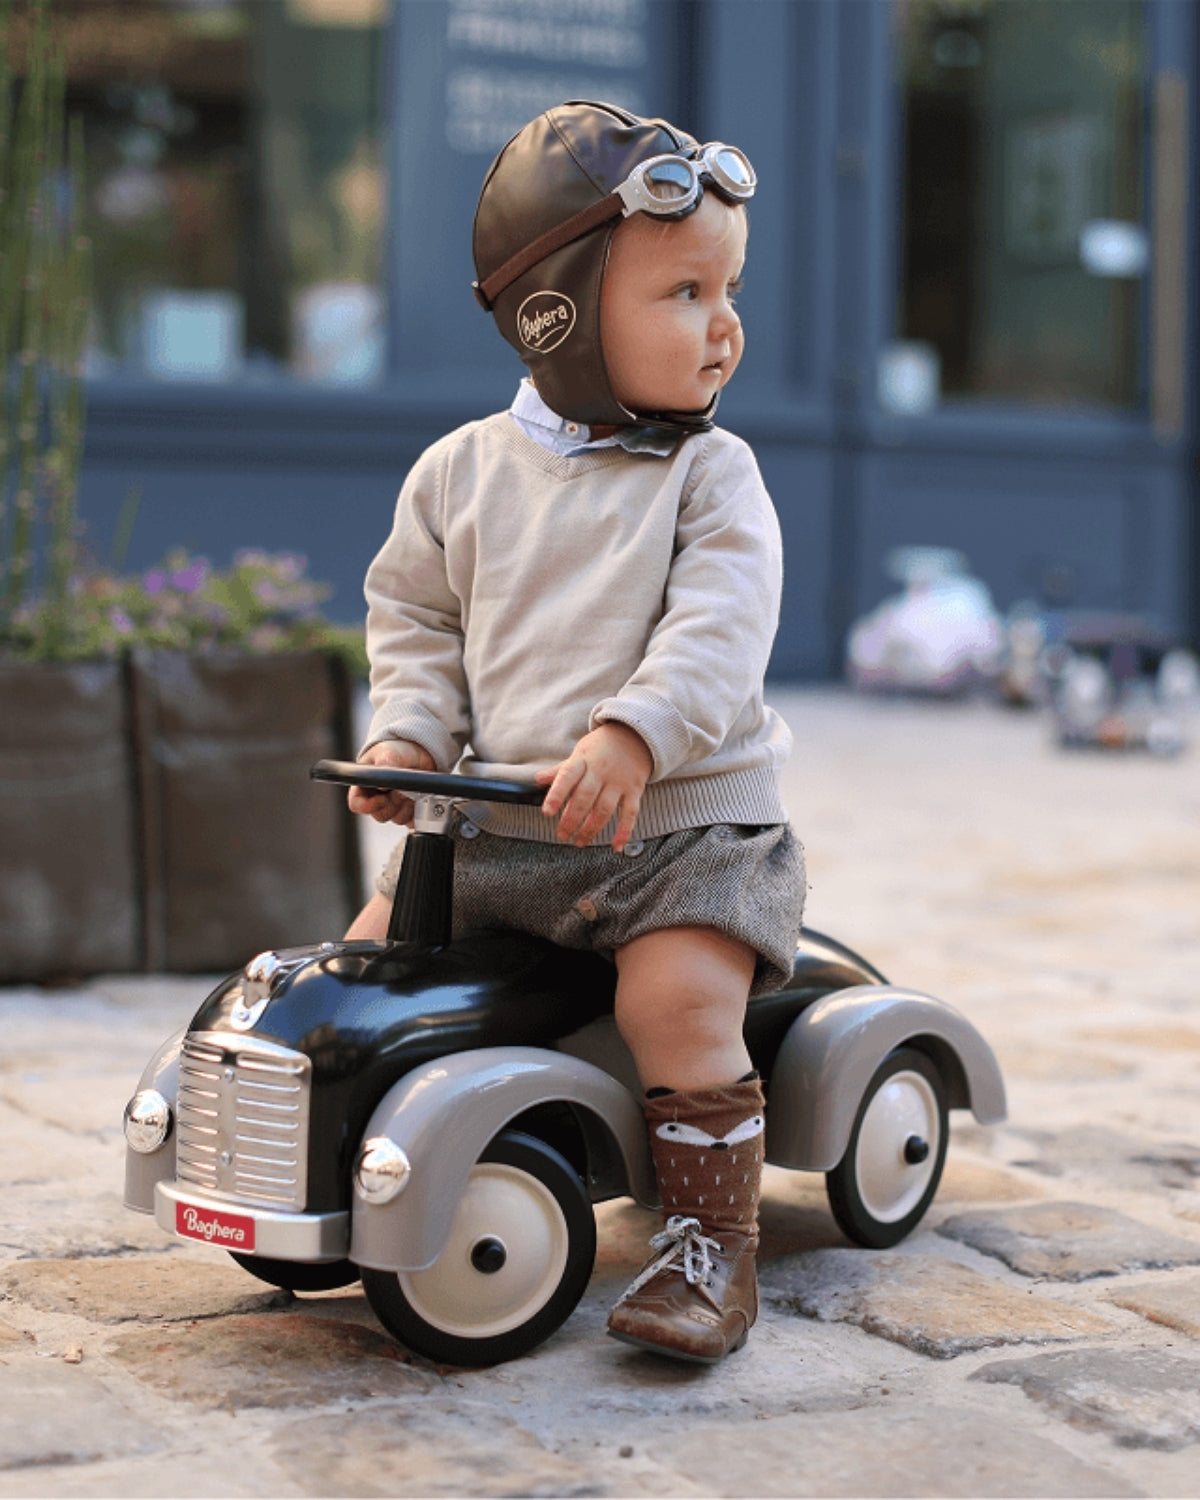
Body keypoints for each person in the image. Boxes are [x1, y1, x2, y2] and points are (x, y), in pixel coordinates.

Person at [344, 101, 805, 1364]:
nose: (726, 327)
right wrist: (409, 744)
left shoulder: (710, 477)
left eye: (731, 290)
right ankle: (356, 1167)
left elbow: (719, 628)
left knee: (678, 1002)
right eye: (685, 291)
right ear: (556, 311)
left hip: (678, 834)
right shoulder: (456, 474)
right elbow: (417, 625)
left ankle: (710, 1252)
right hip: (501, 834)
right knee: (363, 973)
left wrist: (633, 737)